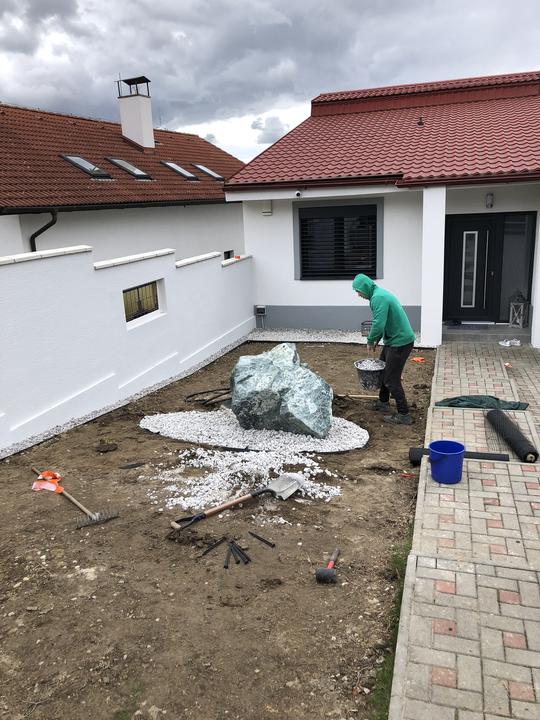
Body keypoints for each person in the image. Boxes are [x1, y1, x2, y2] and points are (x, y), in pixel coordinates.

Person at [352, 274, 416, 425]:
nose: (358, 295)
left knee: (391, 379)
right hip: (394, 340)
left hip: (400, 342)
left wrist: (370, 340)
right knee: (383, 371)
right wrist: (378, 339)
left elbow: (378, 323)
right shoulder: (378, 295)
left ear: (365, 288)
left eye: (359, 291)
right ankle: (383, 402)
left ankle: (404, 414)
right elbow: (383, 322)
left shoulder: (378, 298)